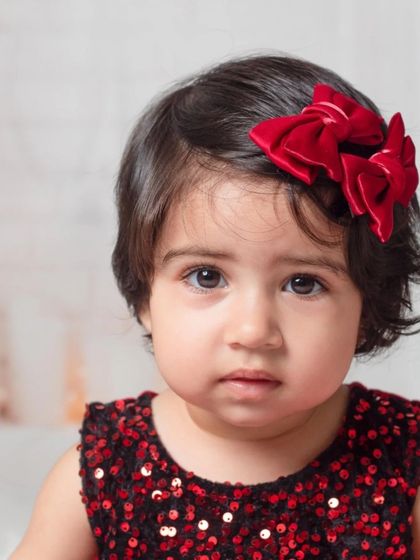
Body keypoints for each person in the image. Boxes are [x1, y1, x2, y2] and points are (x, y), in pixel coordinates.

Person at [11, 54, 420, 559]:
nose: (252, 331)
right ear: (143, 295)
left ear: (368, 306)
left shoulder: (403, 463)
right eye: (206, 277)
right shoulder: (102, 472)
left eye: (303, 283)